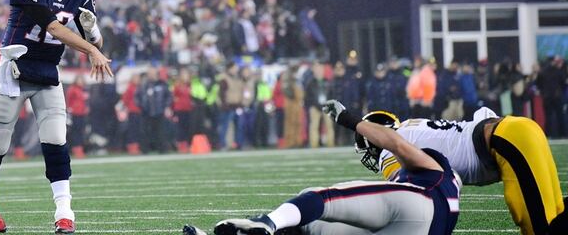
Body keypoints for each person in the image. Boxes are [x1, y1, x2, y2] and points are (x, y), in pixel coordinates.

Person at [0, 0, 113, 235]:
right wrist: (91, 49)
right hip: (16, 67)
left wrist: (92, 31)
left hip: (48, 70)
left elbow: (98, 41)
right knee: (0, 144)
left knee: (56, 141)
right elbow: (52, 27)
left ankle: (65, 213)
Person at [185, 99, 462, 235]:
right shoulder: (449, 182)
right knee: (309, 227)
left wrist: (349, 119)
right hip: (426, 228)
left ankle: (267, 224)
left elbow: (397, 143)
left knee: (322, 199)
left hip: (420, 206)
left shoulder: (425, 157)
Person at [359, 106, 567, 235]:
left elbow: (406, 200)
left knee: (539, 230)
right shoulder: (415, 127)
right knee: (557, 214)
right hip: (522, 128)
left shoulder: (390, 151)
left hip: (510, 141)